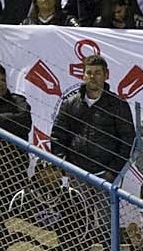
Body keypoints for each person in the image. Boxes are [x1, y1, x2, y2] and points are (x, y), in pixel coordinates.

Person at [50, 54, 137, 186]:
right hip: (74, 175)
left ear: (106, 75)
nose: (92, 77)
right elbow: (58, 136)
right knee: (76, 207)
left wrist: (112, 172)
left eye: (97, 73)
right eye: (89, 72)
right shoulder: (70, 103)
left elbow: (127, 141)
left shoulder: (118, 105)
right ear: (83, 75)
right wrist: (64, 166)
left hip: (105, 178)